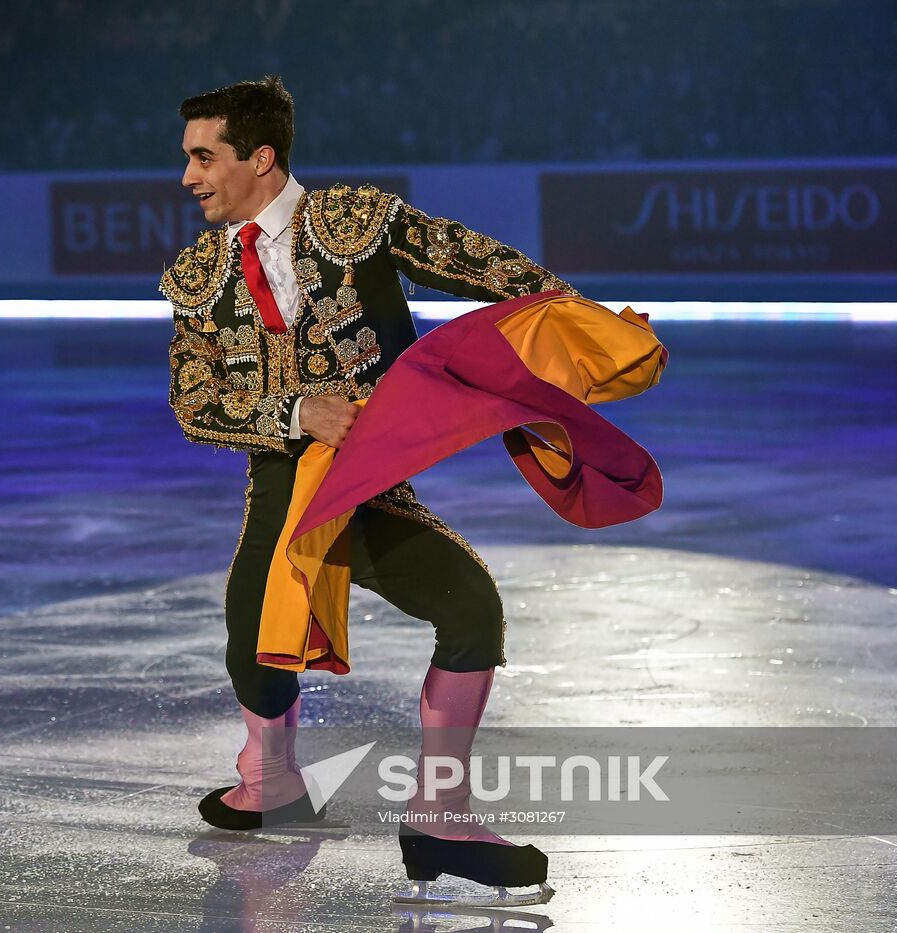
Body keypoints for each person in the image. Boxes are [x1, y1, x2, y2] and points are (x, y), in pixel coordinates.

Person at [161, 75, 576, 905]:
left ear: (261, 156)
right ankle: (270, 782)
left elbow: (486, 267)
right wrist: (297, 411)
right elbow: (193, 402)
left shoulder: (358, 222)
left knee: (470, 609)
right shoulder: (199, 271)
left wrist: (577, 315)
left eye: (204, 157)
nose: (188, 177)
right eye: (188, 160)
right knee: (255, 645)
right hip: (279, 487)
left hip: (372, 481)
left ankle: (441, 813)